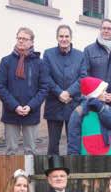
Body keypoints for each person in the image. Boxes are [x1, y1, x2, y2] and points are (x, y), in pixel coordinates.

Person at [0, 27, 48, 155]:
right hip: (11, 113)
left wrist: (30, 106)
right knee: (10, 151)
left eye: (24, 39)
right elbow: (0, 86)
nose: (21, 41)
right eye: (19, 38)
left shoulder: (39, 63)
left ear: (31, 42)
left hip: (31, 113)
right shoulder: (6, 61)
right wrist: (15, 106)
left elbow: (44, 88)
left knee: (30, 151)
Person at [84, 18, 111, 151]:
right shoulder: (89, 50)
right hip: (94, 102)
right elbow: (84, 75)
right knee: (96, 133)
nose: (106, 31)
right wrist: (96, 95)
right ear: (100, 29)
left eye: (109, 28)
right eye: (104, 28)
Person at [43, 24, 87, 155]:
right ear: (57, 37)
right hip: (54, 104)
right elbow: (45, 76)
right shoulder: (48, 54)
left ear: (71, 38)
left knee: (73, 142)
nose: (64, 39)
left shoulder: (80, 55)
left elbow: (83, 77)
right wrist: (59, 93)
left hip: (73, 104)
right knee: (53, 144)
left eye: (66, 36)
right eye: (61, 36)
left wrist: (68, 92)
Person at [68, 77, 111, 155]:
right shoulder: (79, 112)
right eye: (103, 91)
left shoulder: (105, 108)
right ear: (95, 94)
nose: (106, 93)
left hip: (108, 152)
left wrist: (101, 109)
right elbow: (73, 138)